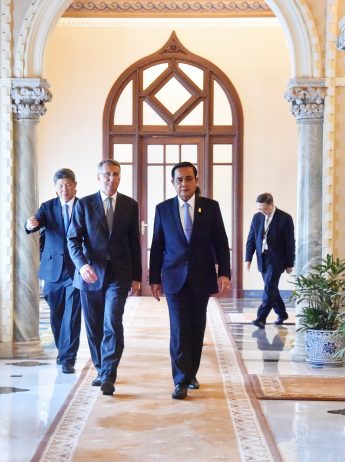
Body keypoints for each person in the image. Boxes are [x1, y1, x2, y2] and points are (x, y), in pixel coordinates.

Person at [149, 161, 231, 400]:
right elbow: (157, 246)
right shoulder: (163, 209)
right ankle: (180, 380)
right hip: (173, 277)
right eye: (179, 180)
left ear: (196, 181)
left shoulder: (210, 207)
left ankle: (191, 373)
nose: (183, 183)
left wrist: (224, 273)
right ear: (173, 183)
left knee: (196, 327)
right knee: (179, 328)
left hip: (201, 276)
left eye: (188, 178)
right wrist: (154, 279)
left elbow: (221, 242)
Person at [67, 159, 142, 396]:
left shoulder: (129, 205)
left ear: (120, 177)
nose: (111, 178)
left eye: (116, 174)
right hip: (90, 274)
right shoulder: (84, 204)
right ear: (98, 177)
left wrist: (137, 276)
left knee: (112, 321)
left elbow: (134, 242)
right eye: (107, 174)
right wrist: (82, 266)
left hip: (118, 274)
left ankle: (109, 373)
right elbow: (73, 239)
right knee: (94, 326)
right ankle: (100, 369)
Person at [25, 168, 82, 374]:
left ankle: (68, 358)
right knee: (57, 315)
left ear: (75, 186)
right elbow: (34, 224)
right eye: (61, 186)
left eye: (68, 185)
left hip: (76, 270)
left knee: (72, 315)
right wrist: (29, 224)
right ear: (56, 189)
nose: (65, 189)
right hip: (53, 271)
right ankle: (62, 350)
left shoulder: (84, 206)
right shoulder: (47, 207)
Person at [245, 192, 295, 329]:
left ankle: (261, 318)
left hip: (277, 259)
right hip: (262, 257)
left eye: (265, 209)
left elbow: (290, 242)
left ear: (271, 204)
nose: (262, 211)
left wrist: (290, 263)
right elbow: (251, 238)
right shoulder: (257, 217)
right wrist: (248, 258)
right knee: (271, 288)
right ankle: (282, 314)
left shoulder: (285, 218)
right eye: (259, 209)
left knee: (269, 287)